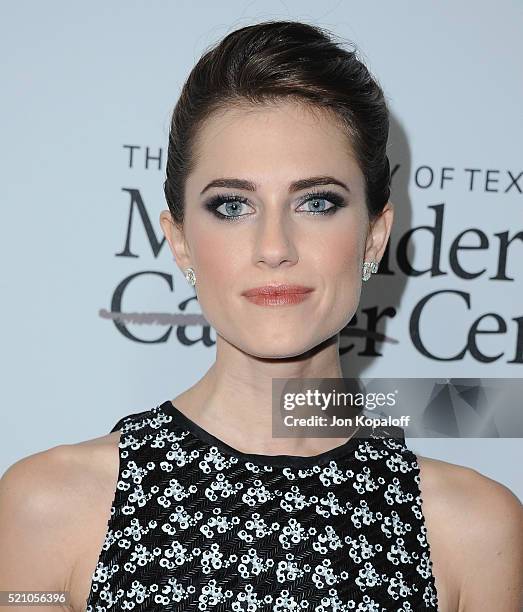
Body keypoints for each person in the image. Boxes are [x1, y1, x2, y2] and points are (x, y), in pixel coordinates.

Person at [1, 19, 522, 612]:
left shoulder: (476, 532)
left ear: (375, 236)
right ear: (180, 242)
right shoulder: (47, 508)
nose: (274, 246)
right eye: (232, 206)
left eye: (317, 202)